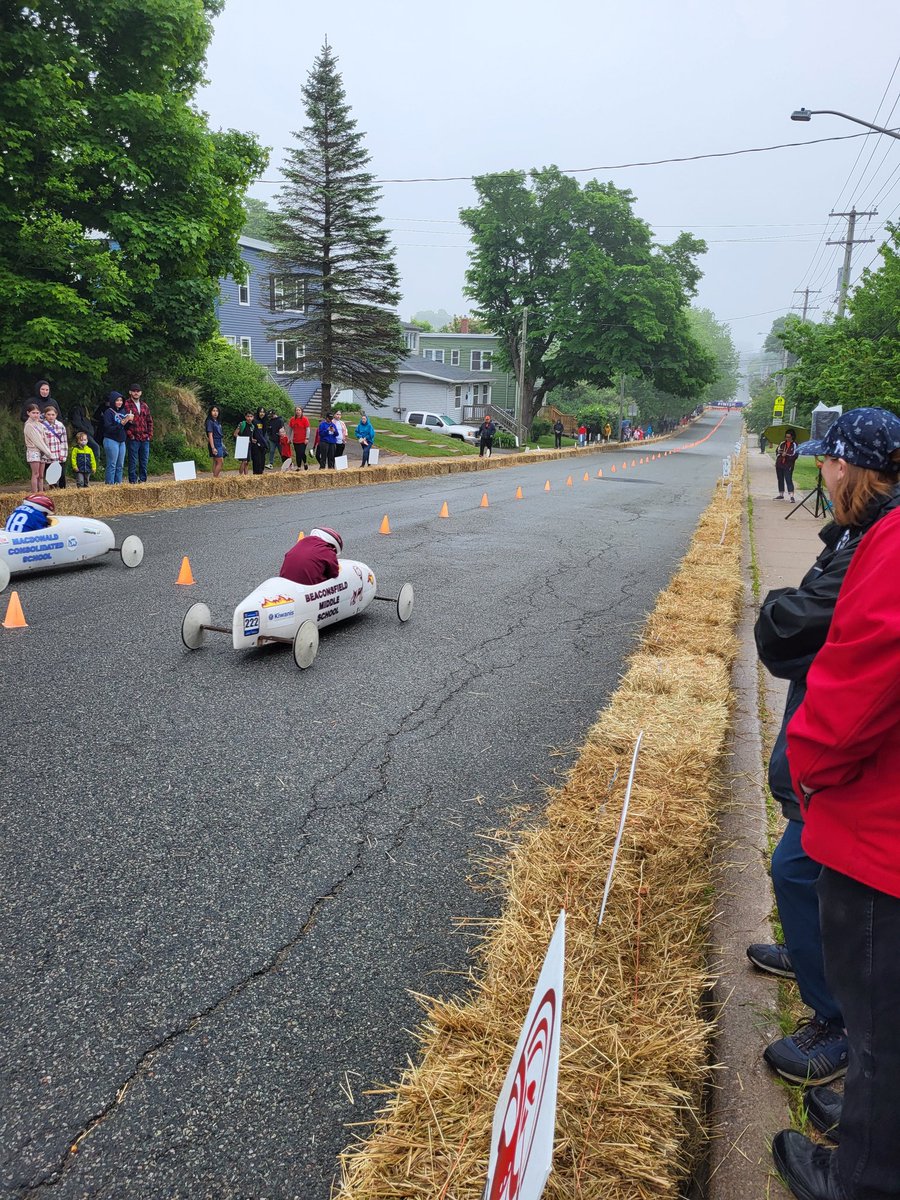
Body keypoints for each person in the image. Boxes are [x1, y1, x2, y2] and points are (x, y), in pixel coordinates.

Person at [773, 407, 900, 1200]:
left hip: (878, 829)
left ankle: (860, 1177)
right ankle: (868, 1121)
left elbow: (859, 683)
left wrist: (809, 771)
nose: (820, 473)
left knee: (882, 1027)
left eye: (829, 463)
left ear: (857, 469)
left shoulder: (889, 543)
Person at [278, 526, 343, 586]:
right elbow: (334, 574)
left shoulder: (300, 543)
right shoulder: (328, 551)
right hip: (307, 591)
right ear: (333, 546)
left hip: (284, 585)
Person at [124, 384, 153, 484]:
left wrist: (150, 435)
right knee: (133, 461)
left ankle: (143, 480)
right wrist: (130, 435)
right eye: (134, 391)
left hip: (145, 438)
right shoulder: (126, 404)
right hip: (133, 437)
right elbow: (124, 422)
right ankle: (133, 481)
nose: (136, 392)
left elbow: (149, 421)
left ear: (141, 393)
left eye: (138, 391)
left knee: (144, 461)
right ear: (130, 392)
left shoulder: (144, 405)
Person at [102, 393, 131, 484]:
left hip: (121, 441)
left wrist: (129, 421)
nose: (119, 402)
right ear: (113, 401)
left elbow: (125, 428)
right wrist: (121, 424)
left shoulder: (123, 411)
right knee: (112, 464)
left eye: (121, 400)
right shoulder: (108, 412)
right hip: (111, 440)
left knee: (120, 465)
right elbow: (108, 428)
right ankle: (110, 485)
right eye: (117, 400)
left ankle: (118, 484)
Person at [23, 402, 52, 491]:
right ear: (28, 413)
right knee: (35, 474)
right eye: (33, 413)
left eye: (37, 413)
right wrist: (48, 452)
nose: (36, 415)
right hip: (34, 451)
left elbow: (45, 438)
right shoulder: (29, 425)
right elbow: (37, 441)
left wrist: (46, 449)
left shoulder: (39, 424)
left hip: (42, 451)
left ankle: (41, 493)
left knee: (41, 475)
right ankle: (35, 494)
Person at [41, 402, 68, 488]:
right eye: (48, 414)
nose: (51, 416)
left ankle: (63, 491)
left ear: (56, 415)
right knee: (51, 478)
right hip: (48, 456)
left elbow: (64, 441)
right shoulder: (42, 426)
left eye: (53, 414)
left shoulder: (60, 425)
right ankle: (53, 490)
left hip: (59, 455)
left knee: (62, 476)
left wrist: (63, 455)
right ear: (45, 415)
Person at [775, 428, 799, 502]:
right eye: (786, 437)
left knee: (788, 479)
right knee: (780, 479)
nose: (787, 438)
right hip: (780, 464)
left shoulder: (795, 445)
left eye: (789, 437)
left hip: (788, 465)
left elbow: (795, 455)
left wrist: (787, 455)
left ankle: (791, 496)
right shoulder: (782, 443)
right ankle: (781, 494)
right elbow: (777, 452)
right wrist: (780, 453)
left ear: (792, 437)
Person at [205, 405, 225, 478]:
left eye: (217, 411)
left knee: (216, 461)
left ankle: (215, 476)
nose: (215, 413)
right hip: (214, 442)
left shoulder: (217, 421)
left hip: (219, 442)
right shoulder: (209, 422)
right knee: (220, 461)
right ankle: (215, 478)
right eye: (213, 411)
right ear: (210, 412)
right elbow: (210, 435)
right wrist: (213, 447)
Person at [289, 405, 310, 471]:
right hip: (295, 440)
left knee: (301, 452)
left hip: (303, 440)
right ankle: (299, 467)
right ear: (295, 412)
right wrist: (289, 438)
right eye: (296, 410)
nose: (298, 411)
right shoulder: (292, 419)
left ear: (301, 411)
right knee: (297, 453)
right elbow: (290, 429)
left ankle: (305, 463)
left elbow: (308, 429)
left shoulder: (305, 419)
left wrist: (307, 438)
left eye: (299, 410)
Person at [249, 405, 268, 475]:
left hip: (262, 445)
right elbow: (251, 431)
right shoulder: (254, 421)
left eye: (263, 412)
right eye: (260, 412)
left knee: (262, 461)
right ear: (258, 412)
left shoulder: (264, 421)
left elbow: (264, 434)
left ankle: (261, 474)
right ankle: (256, 475)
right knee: (257, 461)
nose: (262, 413)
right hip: (256, 444)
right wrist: (251, 438)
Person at [234, 411, 253, 476]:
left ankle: (246, 476)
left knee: (247, 462)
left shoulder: (252, 426)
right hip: (242, 444)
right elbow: (235, 434)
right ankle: (240, 475)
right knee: (244, 461)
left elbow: (251, 436)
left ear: (253, 417)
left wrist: (252, 440)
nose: (249, 418)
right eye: (248, 416)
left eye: (251, 416)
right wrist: (243, 440)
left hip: (249, 445)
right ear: (245, 417)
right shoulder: (242, 424)